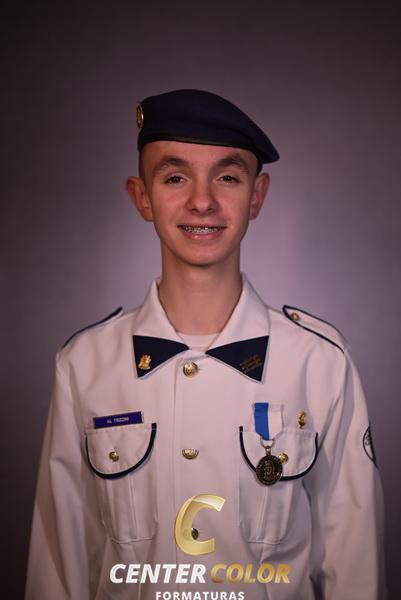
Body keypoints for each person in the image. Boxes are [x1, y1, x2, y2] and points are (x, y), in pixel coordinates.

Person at [25, 89, 386, 600]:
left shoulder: (319, 363)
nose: (202, 201)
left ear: (256, 196)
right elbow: (57, 570)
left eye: (227, 177)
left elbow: (356, 570)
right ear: (141, 197)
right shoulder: (84, 366)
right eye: (175, 178)